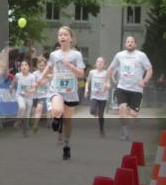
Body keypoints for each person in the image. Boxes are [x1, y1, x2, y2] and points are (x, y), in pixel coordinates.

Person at [38, 26, 85, 160]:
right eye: (60, 35)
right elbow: (49, 67)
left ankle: (66, 145)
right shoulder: (54, 55)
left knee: (68, 122)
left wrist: (69, 65)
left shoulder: (76, 55)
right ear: (58, 39)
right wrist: (41, 78)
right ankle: (56, 117)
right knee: (57, 110)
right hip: (56, 89)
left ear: (71, 38)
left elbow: (81, 74)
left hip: (70, 92)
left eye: (65, 35)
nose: (62, 37)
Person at [108, 36, 153, 141]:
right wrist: (108, 80)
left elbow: (150, 70)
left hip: (136, 89)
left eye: (132, 41)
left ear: (135, 44)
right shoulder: (119, 55)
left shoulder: (141, 56)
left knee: (132, 113)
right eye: (128, 41)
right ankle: (125, 133)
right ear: (125, 44)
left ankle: (135, 115)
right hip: (122, 87)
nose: (130, 43)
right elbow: (111, 68)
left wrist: (144, 81)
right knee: (122, 109)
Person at [85, 56, 111, 137]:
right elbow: (88, 82)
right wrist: (86, 90)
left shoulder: (106, 73)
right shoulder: (92, 72)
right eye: (98, 62)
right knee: (92, 111)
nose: (100, 63)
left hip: (103, 97)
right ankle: (94, 113)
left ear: (104, 65)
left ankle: (101, 129)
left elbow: (108, 84)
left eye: (102, 62)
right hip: (94, 96)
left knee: (101, 115)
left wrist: (105, 88)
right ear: (95, 64)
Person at [12, 60, 38, 136]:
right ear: (20, 68)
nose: (23, 66)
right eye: (22, 65)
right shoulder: (18, 75)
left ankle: (25, 130)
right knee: (22, 107)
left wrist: (30, 91)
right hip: (20, 95)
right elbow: (14, 81)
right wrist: (11, 87)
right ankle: (18, 121)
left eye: (26, 65)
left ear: (29, 67)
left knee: (27, 116)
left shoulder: (32, 77)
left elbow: (34, 88)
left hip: (29, 97)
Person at [31, 56, 51, 133]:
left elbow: (44, 82)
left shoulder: (49, 73)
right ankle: (35, 125)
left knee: (49, 110)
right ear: (37, 65)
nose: (41, 67)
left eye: (43, 65)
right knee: (38, 110)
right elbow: (33, 83)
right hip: (38, 96)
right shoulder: (35, 74)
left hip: (47, 95)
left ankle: (49, 122)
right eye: (40, 65)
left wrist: (45, 78)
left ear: (46, 66)